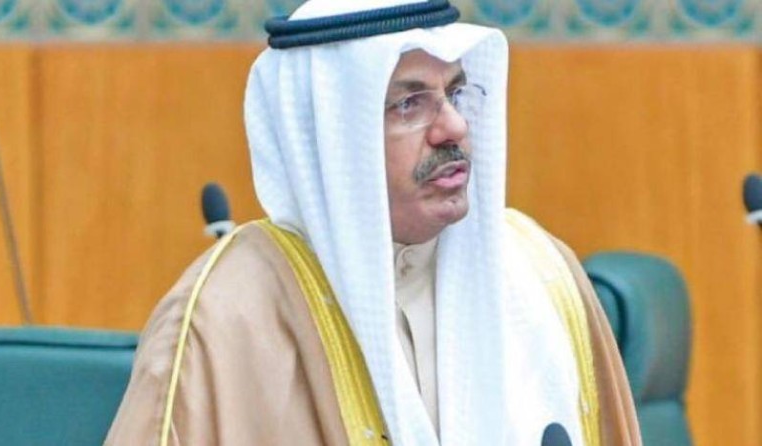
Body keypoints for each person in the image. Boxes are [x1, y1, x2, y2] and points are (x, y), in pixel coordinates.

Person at [106, 0, 640, 444]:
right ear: (331, 135)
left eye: (455, 93)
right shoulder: (225, 317)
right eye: (409, 104)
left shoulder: (542, 274)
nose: (453, 126)